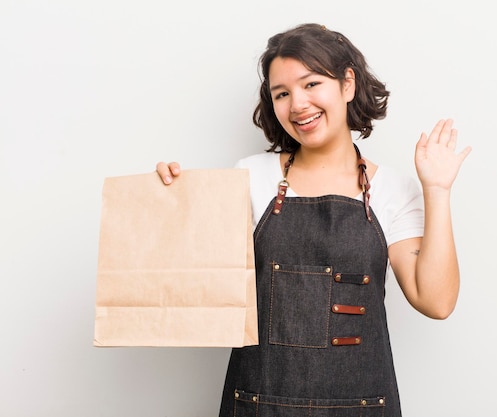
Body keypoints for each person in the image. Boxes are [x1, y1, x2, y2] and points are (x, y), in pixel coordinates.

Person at [156, 23, 470, 417]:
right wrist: (168, 199)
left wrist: (437, 191)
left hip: (361, 407)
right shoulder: (251, 176)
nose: (297, 105)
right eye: (282, 94)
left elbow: (437, 301)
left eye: (311, 84)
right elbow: (197, 283)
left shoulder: (394, 189)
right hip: (258, 404)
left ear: (347, 83)